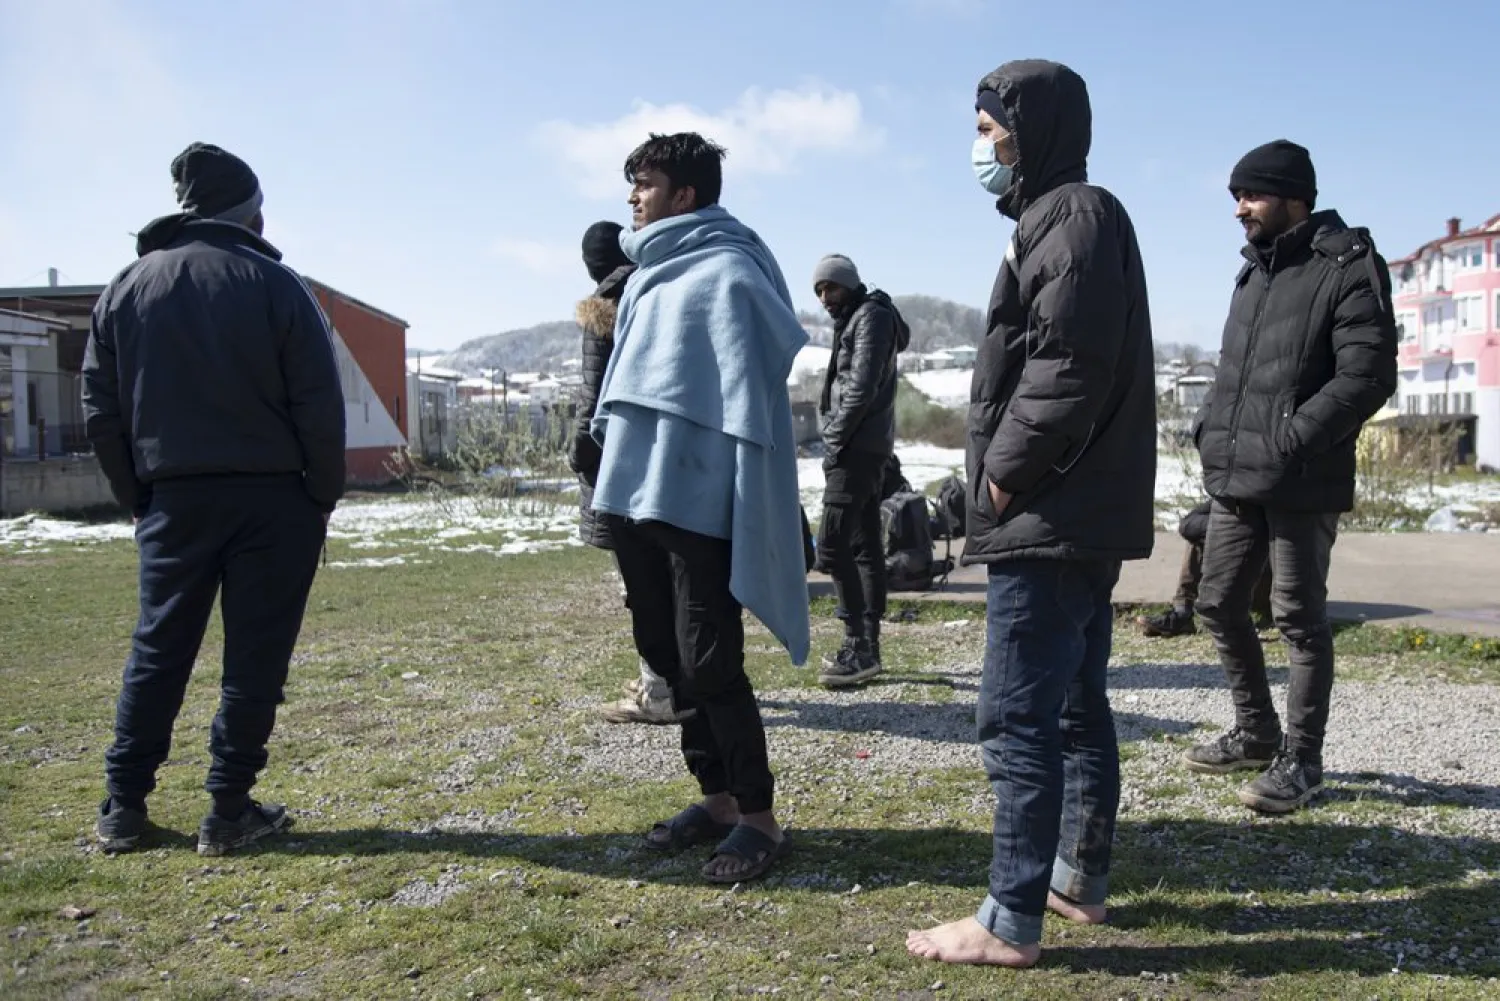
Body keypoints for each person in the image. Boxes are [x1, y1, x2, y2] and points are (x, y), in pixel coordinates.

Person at [907, 60, 1157, 969]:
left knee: (1016, 715)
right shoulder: (1062, 218)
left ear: (1031, 131)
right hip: (1075, 511)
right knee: (1073, 704)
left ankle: (1009, 917)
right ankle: (1074, 876)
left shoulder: (1072, 216)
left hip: (1051, 512)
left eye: (987, 130)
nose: (980, 149)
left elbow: (1066, 365)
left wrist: (1003, 479)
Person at [83, 143, 345, 856]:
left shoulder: (126, 287)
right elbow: (319, 403)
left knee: (158, 649)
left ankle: (123, 804)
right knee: (253, 657)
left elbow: (99, 408)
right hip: (272, 500)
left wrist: (136, 494)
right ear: (250, 213)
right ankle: (229, 808)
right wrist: (320, 495)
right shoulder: (277, 284)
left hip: (173, 496)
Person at [589, 132, 808, 883]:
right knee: (664, 652)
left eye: (644, 185)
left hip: (699, 500)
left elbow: (752, 385)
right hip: (634, 490)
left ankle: (758, 817)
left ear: (684, 193)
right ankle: (714, 800)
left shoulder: (729, 269)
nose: (633, 199)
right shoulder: (650, 271)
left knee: (709, 658)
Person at [1183, 140, 1397, 813]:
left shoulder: (1347, 264)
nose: (1240, 209)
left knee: (1299, 620)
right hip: (1237, 475)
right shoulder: (1253, 272)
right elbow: (1233, 374)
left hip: (1303, 477)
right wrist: (1210, 433)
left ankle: (1302, 762)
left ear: (1292, 195)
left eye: (1250, 195)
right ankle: (1255, 731)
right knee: (1216, 601)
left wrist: (1293, 438)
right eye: (1236, 197)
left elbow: (1367, 374)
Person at [568, 220, 693, 727]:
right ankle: (675, 679)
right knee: (666, 577)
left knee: (641, 583)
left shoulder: (606, 304)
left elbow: (594, 391)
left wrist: (581, 451)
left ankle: (659, 688)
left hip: (618, 464)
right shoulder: (655, 287)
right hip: (660, 462)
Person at [811, 254, 910, 688]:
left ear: (849, 284)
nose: (825, 297)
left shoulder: (869, 317)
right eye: (819, 291)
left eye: (830, 287)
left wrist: (833, 440)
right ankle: (868, 646)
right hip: (864, 447)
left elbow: (861, 385)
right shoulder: (858, 317)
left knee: (831, 547)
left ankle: (857, 644)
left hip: (855, 448)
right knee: (865, 547)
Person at [1137, 498, 1273, 637]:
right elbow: (1188, 525)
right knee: (1203, 538)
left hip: (1267, 583)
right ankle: (1182, 613)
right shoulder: (1236, 490)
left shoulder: (1276, 492)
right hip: (1231, 583)